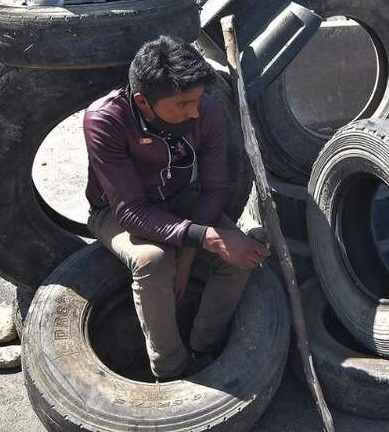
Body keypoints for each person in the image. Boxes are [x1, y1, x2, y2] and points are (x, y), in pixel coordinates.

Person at [83, 37, 270, 380]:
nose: (194, 112)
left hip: (181, 198)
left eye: (197, 101)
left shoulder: (207, 111)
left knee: (242, 257)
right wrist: (206, 239)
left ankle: (202, 348)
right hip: (114, 211)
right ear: (143, 102)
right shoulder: (105, 120)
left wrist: (189, 253)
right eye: (183, 104)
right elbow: (131, 212)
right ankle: (169, 369)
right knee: (154, 261)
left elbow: (214, 188)